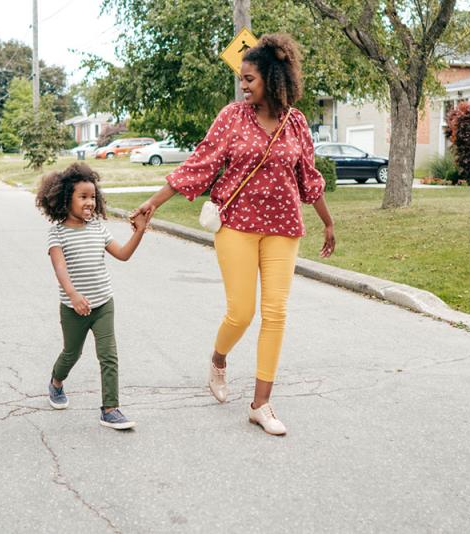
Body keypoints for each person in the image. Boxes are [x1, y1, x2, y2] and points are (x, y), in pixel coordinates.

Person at [131, 34, 335, 436]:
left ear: (274, 80)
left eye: (250, 79)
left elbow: (308, 178)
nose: (243, 86)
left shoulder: (294, 122)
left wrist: (328, 222)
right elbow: (199, 165)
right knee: (242, 312)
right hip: (236, 226)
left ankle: (261, 404)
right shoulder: (232, 117)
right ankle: (219, 359)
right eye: (242, 79)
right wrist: (154, 203)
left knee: (275, 313)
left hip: (283, 228)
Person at [35, 163, 148, 430]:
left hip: (103, 304)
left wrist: (140, 230)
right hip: (73, 308)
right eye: (83, 197)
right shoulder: (57, 233)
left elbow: (122, 254)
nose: (89, 202)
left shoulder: (98, 228)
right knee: (71, 353)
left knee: (108, 355)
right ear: (66, 199)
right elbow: (60, 269)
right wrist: (73, 295)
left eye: (93, 197)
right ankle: (56, 382)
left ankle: (110, 409)